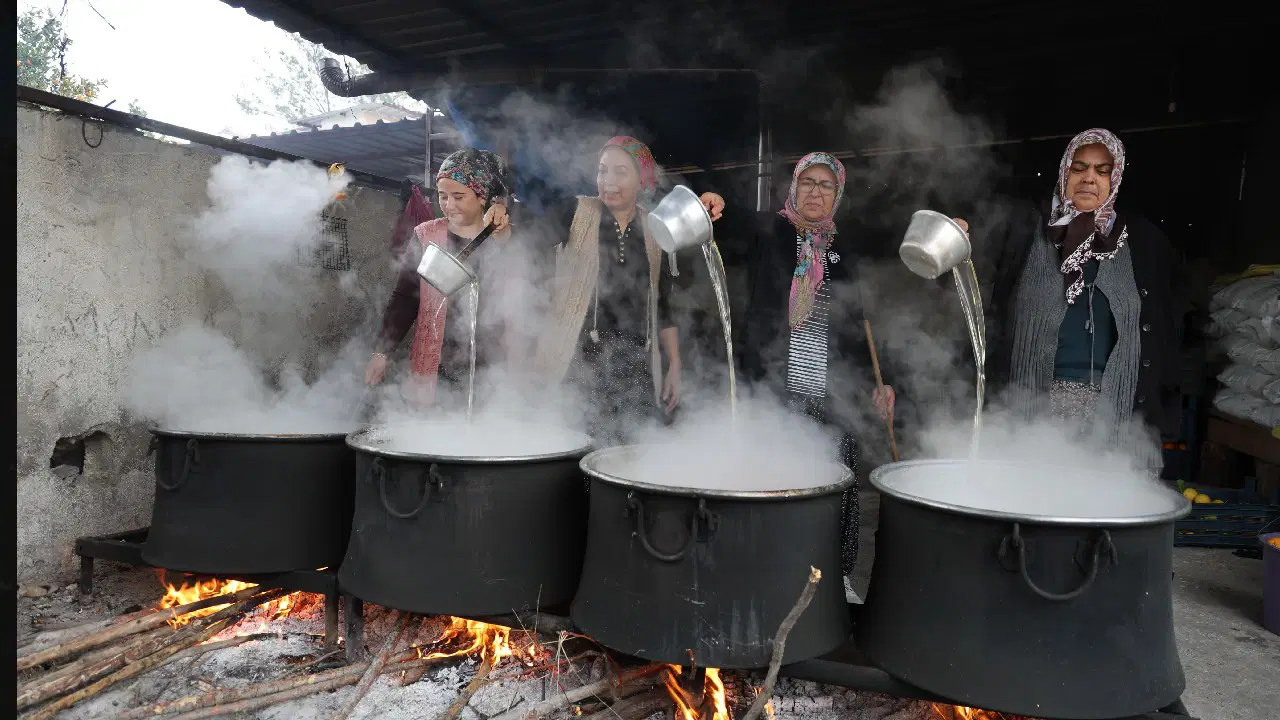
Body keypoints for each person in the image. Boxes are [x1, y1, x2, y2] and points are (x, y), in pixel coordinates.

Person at [957, 128, 1186, 468]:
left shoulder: (1142, 241)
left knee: (1106, 497)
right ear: (1064, 172)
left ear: (1115, 179)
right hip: (1031, 407)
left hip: (1115, 413)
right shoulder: (1024, 228)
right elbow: (975, 273)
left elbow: (1167, 321)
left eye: (1102, 171)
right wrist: (962, 235)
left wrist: (1161, 407)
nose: (1089, 178)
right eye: (1079, 168)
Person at [720, 151, 896, 595]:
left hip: (832, 387)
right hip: (774, 382)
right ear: (794, 186)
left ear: (838, 194)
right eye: (808, 182)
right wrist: (713, 202)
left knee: (836, 480)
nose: (816, 192)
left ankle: (837, 574)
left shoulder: (843, 250)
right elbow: (728, 227)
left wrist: (879, 382)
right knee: (774, 479)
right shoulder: (770, 231)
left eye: (826, 185)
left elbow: (857, 325)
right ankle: (768, 573)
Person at [523, 136, 726, 445]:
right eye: (602, 170)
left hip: (635, 366)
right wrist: (503, 218)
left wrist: (674, 365)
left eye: (620, 172)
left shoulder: (654, 226)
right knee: (574, 452)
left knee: (629, 454)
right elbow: (529, 236)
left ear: (642, 179)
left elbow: (662, 304)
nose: (608, 181)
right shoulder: (576, 212)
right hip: (576, 363)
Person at [364, 148, 515, 408]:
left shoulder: (501, 234)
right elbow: (405, 297)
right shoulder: (426, 235)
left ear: (482, 197)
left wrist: (505, 227)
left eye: (458, 196)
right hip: (434, 360)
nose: (448, 205)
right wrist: (382, 352)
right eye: (443, 196)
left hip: (490, 362)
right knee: (433, 425)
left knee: (486, 422)